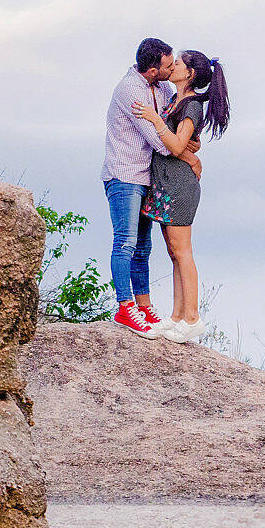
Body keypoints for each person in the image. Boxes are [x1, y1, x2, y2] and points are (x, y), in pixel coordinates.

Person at [100, 37, 199, 337]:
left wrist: (186, 141)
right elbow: (161, 141)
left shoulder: (163, 87)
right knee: (126, 242)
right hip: (124, 175)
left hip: (148, 178)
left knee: (143, 247)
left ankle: (143, 306)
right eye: (168, 65)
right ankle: (125, 306)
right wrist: (189, 154)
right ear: (153, 69)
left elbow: (172, 127)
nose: (173, 69)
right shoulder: (131, 90)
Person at [131, 50, 230, 344]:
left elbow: (175, 146)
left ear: (189, 74)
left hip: (180, 188)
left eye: (178, 64)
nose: (172, 67)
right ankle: (177, 316)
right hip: (165, 185)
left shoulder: (192, 107)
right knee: (174, 253)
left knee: (183, 252)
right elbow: (184, 148)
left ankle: (192, 318)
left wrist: (152, 118)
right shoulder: (176, 100)